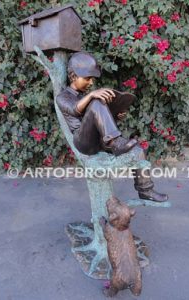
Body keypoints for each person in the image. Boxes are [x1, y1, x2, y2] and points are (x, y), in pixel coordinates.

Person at [56, 52, 168, 202]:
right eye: (88, 78)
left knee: (138, 151)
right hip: (83, 142)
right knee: (97, 102)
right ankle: (116, 142)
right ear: (73, 76)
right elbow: (75, 109)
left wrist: (115, 115)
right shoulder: (63, 97)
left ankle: (145, 190)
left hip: (100, 139)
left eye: (92, 80)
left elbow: (98, 121)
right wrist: (92, 96)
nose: (91, 83)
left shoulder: (87, 96)